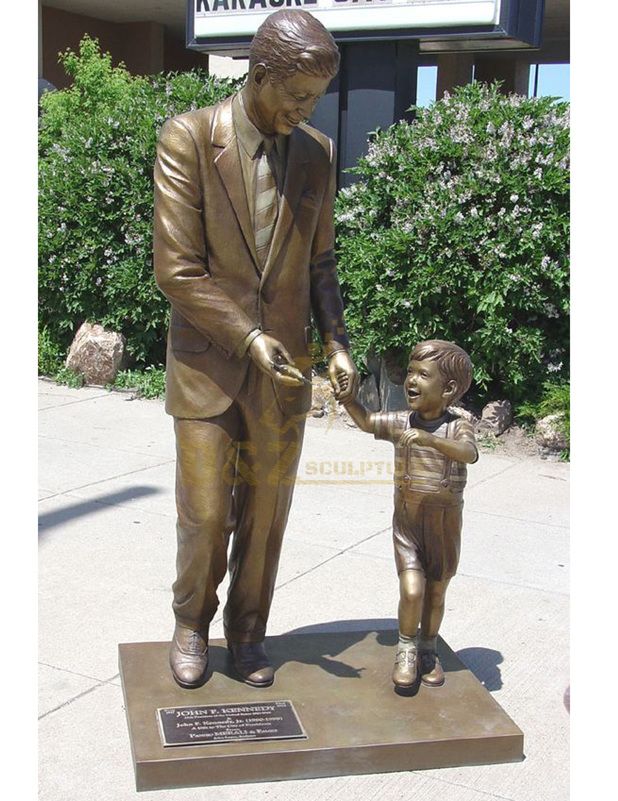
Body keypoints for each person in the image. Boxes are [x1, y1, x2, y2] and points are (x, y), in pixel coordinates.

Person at [153, 9, 359, 689]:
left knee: (268, 514)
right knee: (207, 513)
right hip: (208, 362)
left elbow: (321, 263)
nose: (304, 110)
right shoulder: (188, 140)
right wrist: (247, 335)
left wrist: (336, 341)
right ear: (260, 75)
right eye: (296, 96)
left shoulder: (316, 154)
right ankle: (191, 621)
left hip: (285, 372)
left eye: (315, 100)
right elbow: (177, 270)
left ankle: (248, 631)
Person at [338, 340, 478, 689]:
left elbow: (469, 453)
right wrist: (348, 400)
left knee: (436, 590)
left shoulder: (456, 427)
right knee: (412, 589)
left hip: (444, 525)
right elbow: (369, 422)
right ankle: (406, 649)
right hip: (408, 524)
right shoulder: (402, 421)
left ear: (448, 389)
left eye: (423, 374)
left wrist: (430, 442)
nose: (411, 380)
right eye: (411, 372)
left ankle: (428, 648)